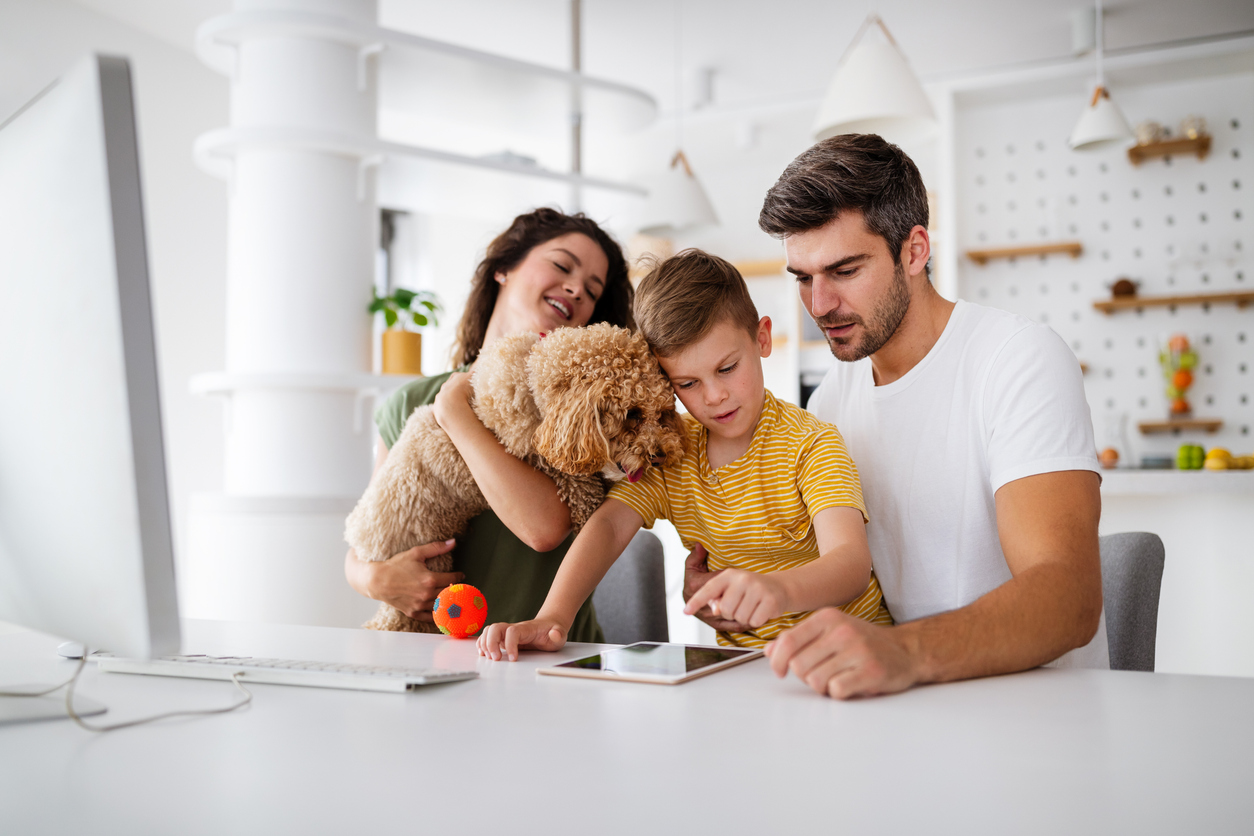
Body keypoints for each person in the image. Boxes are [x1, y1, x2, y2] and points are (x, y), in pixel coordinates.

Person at [689, 132, 1105, 699]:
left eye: (844, 270)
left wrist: (903, 651)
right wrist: (745, 594)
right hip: (893, 706)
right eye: (803, 278)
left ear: (914, 251)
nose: (819, 305)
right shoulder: (832, 399)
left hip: (1030, 710)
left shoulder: (1018, 359)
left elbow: (1069, 597)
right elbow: (837, 573)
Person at [478, 249, 892, 661]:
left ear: (761, 338)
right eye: (688, 383)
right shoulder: (670, 452)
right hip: (748, 669)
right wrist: (553, 617)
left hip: (852, 658)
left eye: (727, 368)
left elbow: (851, 564)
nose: (714, 396)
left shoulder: (811, 445)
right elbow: (607, 528)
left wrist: (779, 590)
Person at [344, 207, 634, 641]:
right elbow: (365, 539)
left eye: (592, 291)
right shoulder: (412, 401)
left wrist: (456, 417)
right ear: (504, 268)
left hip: (552, 658)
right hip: (432, 654)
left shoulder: (584, 412)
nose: (576, 289)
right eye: (561, 265)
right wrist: (373, 580)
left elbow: (544, 529)